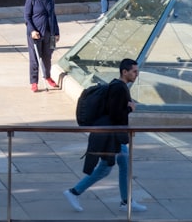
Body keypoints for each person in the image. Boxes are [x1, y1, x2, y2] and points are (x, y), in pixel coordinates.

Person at [63, 58, 147, 214]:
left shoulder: (117, 86)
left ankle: (124, 201)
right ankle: (75, 192)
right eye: (134, 71)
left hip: (111, 135)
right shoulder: (119, 89)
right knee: (111, 167)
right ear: (125, 71)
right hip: (111, 136)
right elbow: (115, 114)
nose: (137, 74)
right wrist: (130, 109)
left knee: (113, 167)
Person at [24, 0, 60, 92]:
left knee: (47, 56)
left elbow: (53, 15)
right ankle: (34, 82)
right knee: (35, 58)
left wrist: (56, 32)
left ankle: (48, 77)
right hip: (36, 33)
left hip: (50, 32)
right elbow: (27, 17)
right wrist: (32, 30)